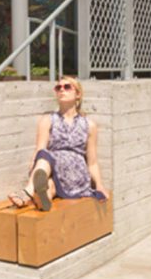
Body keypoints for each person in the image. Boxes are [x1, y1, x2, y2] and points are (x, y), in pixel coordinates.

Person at [8, 76, 109, 211]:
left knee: (46, 156)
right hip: (55, 170)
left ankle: (27, 192)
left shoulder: (89, 125)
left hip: (76, 173)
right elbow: (39, 150)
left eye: (67, 87)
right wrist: (33, 169)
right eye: (58, 88)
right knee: (48, 183)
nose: (62, 90)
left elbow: (92, 162)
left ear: (78, 94)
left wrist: (99, 185)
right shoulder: (48, 120)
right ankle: (42, 198)